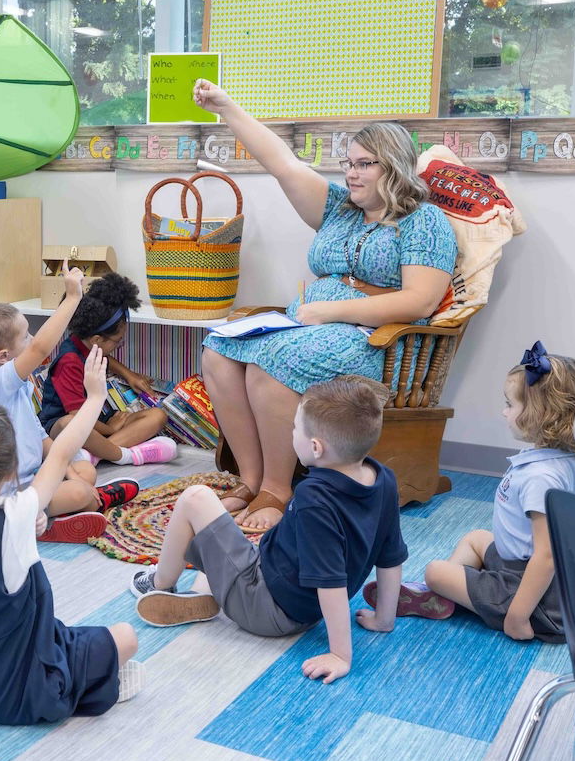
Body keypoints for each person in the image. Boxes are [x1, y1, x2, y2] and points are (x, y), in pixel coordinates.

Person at [191, 79, 457, 533]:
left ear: (393, 166)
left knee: (272, 362)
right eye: (348, 163)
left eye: (365, 164)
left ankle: (278, 486)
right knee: (217, 350)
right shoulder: (340, 209)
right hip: (306, 323)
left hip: (369, 341)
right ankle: (250, 478)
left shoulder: (423, 221)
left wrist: (329, 311)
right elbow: (282, 163)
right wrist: (227, 108)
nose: (352, 174)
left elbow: (421, 300)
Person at [131, 376, 406, 685]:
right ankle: (202, 593)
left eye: (295, 429)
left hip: (266, 605)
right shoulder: (383, 478)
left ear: (315, 447)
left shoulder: (314, 499)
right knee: (226, 542)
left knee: (196, 499)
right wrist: (385, 618)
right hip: (293, 600)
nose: (292, 434)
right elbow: (390, 555)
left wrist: (340, 655)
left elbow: (331, 581)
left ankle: (159, 583)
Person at [0, 346, 143, 723]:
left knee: (56, 629)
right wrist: (94, 398)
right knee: (125, 636)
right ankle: (87, 684)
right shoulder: (16, 515)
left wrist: (31, 525)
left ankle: (84, 674)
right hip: (20, 694)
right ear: (13, 470)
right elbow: (60, 455)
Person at [370, 342, 575, 643]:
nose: (503, 412)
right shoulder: (574, 460)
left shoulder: (541, 477)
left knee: (435, 571)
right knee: (475, 538)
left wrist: (518, 617)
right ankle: (446, 597)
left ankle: (441, 592)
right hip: (541, 574)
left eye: (510, 404)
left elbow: (546, 557)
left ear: (539, 414)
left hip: (532, 595)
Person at [0, 268, 140, 543]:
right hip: (7, 494)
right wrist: (72, 297)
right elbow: (40, 350)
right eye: (25, 337)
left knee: (85, 472)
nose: (32, 339)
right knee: (81, 493)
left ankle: (53, 513)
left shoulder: (11, 388)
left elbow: (41, 436)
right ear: (3, 356)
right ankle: (44, 524)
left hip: (31, 476)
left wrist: (68, 473)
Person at [38, 272, 175, 467]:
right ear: (96, 340)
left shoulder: (85, 344)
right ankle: (124, 454)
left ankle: (95, 456)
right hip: (61, 425)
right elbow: (77, 416)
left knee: (157, 416)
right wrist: (110, 429)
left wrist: (130, 375)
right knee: (70, 425)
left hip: (97, 421)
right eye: (117, 342)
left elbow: (105, 359)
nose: (118, 345)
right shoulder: (68, 362)